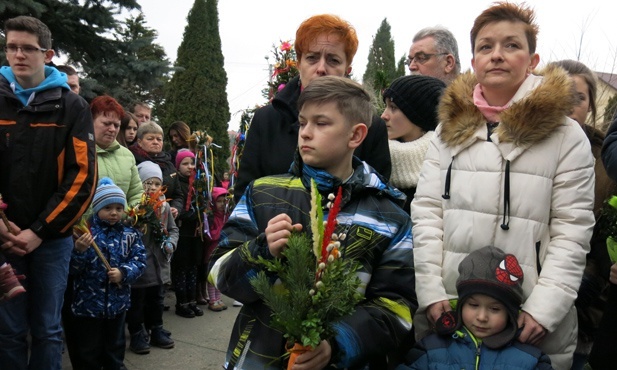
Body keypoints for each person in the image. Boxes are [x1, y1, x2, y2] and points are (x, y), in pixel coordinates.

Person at [410, 3, 595, 370]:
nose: (496, 55)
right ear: (473, 61)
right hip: (451, 310)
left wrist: (544, 310)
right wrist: (430, 292)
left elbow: (571, 231)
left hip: (528, 321)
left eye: (511, 45)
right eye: (485, 46)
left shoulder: (566, 136)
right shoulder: (446, 132)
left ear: (532, 59)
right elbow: (427, 215)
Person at [209, 76, 416, 369]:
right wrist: (260, 251)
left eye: (321, 123)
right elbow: (218, 275)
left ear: (356, 136)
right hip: (260, 358)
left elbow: (396, 308)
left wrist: (336, 344)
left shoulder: (389, 217)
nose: (305, 133)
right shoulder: (262, 193)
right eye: (303, 122)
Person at [0, 16, 97, 370]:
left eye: (28, 48)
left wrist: (39, 232)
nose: (18, 54)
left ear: (48, 53)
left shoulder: (72, 107)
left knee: (47, 329)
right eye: (12, 46)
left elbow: (82, 178)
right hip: (3, 238)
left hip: (51, 243)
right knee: (7, 331)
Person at [233, 14, 391, 203]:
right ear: (299, 64)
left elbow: (377, 198)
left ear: (347, 68)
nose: (321, 68)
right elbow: (245, 198)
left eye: (333, 60)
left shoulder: (371, 125)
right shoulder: (266, 120)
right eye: (312, 58)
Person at [63, 94, 144, 366]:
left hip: (118, 238)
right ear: (91, 121)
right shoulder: (79, 149)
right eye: (105, 123)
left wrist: (129, 215)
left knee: (113, 337)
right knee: (83, 330)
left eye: (116, 125)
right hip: (83, 239)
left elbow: (137, 193)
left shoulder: (126, 155)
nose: (111, 129)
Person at [547, 59, 615, 370]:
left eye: (579, 97)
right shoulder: (515, 151)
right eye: (559, 92)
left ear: (589, 106)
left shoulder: (607, 163)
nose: (568, 105)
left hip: (585, 310)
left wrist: (585, 288)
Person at [398, 246, 553, 370]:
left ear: (510, 314)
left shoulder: (530, 359)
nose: (482, 317)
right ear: (460, 305)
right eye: (473, 305)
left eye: (495, 309)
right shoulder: (431, 349)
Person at [67, 177, 146, 370]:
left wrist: (124, 272)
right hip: (88, 305)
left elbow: (140, 261)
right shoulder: (86, 234)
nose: (114, 213)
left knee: (115, 346)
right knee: (88, 349)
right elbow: (73, 270)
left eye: (119, 208)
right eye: (108, 208)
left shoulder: (130, 234)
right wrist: (79, 251)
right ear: (97, 208)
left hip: (117, 304)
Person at [127, 161, 179, 355]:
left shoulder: (164, 207)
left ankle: (156, 328)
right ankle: (137, 333)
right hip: (141, 262)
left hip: (160, 261)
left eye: (157, 184)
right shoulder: (136, 209)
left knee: (157, 298)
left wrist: (171, 243)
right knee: (138, 299)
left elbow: (173, 229)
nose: (153, 188)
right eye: (148, 184)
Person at [381, 75, 446, 213]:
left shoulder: (446, 166)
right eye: (385, 106)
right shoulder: (375, 156)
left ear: (419, 115)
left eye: (393, 107)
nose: (384, 115)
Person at [169, 149, 204, 318]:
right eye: (185, 163)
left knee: (193, 268)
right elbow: (179, 210)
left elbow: (204, 205)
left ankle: (192, 301)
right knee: (181, 269)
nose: (189, 167)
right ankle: (181, 303)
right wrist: (194, 215)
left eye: (192, 163)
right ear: (178, 166)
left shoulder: (199, 183)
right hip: (181, 232)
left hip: (195, 233)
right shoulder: (176, 183)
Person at [129, 121, 180, 218]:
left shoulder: (169, 165)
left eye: (159, 139)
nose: (155, 142)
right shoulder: (132, 161)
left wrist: (175, 207)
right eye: (150, 139)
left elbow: (178, 194)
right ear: (139, 142)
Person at [204, 187, 229, 312]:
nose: (222, 204)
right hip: (213, 250)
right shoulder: (212, 217)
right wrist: (221, 233)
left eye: (224, 201)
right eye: (219, 201)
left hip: (223, 250)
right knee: (212, 276)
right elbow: (210, 235)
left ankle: (218, 298)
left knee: (219, 275)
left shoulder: (226, 216)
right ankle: (212, 300)